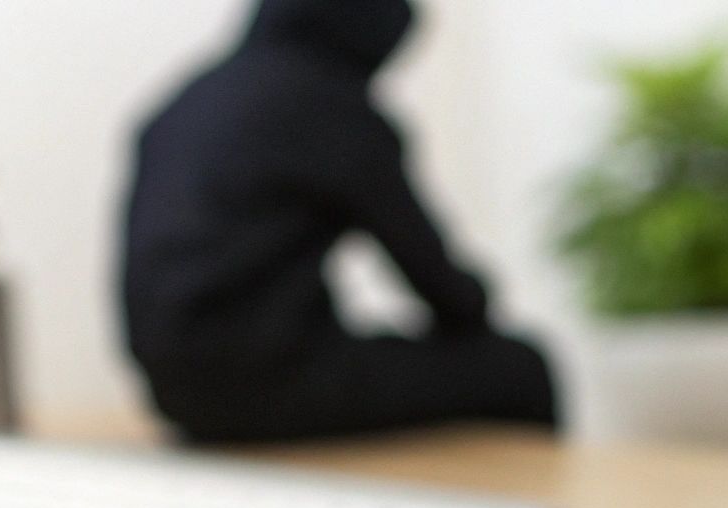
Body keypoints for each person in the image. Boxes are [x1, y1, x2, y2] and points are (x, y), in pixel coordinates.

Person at [121, 0, 557, 443]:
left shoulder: (185, 102)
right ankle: (531, 507)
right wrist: (471, 309)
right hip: (276, 382)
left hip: (176, 394)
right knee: (520, 367)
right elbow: (435, 279)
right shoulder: (329, 105)